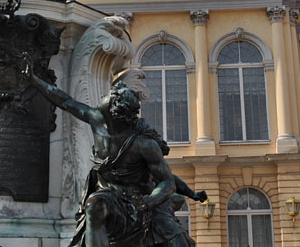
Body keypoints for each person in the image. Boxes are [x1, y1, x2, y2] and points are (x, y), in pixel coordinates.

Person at [22, 57, 203, 247]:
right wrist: (34, 80)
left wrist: (146, 203)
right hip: (111, 192)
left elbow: (168, 182)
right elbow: (65, 102)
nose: (104, 96)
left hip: (139, 196)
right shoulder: (97, 120)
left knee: (176, 239)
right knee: (93, 206)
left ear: (114, 109)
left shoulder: (144, 144)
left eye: (110, 95)